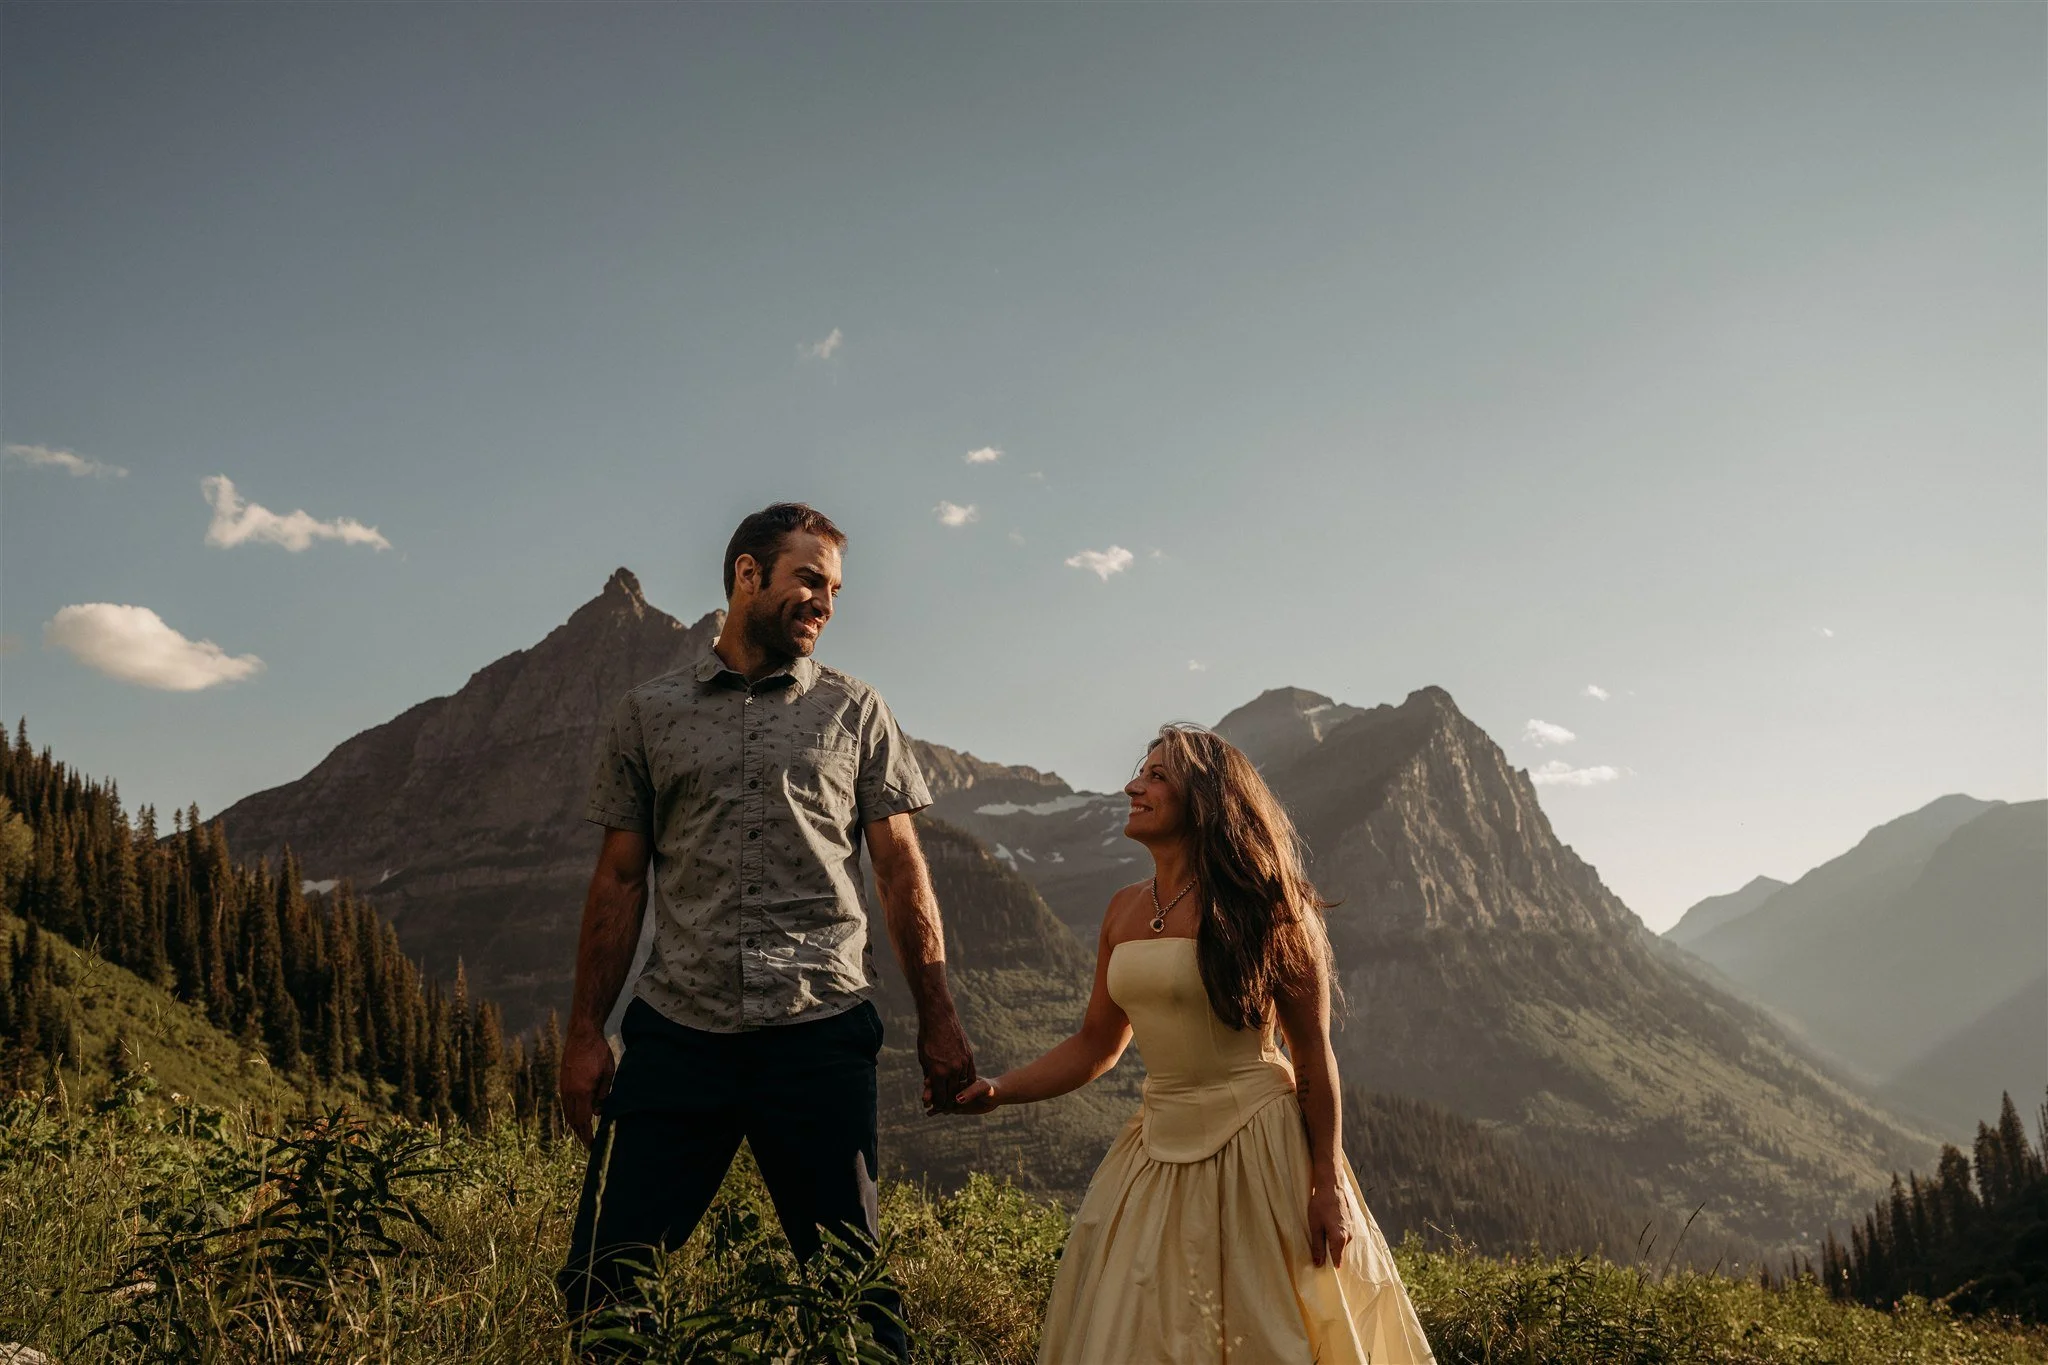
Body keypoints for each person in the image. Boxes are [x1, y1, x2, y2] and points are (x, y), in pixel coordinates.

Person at [556, 502, 977, 1361]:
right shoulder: (648, 714)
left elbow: (901, 872)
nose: (825, 601)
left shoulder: (856, 711)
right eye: (809, 580)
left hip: (819, 1033)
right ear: (747, 575)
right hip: (680, 1033)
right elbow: (620, 879)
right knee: (608, 1285)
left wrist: (940, 1018)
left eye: (834, 588)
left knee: (854, 1295)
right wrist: (582, 1034)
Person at [951, 723, 1436, 1364]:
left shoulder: (1268, 907)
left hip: (1259, 1148)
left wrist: (1326, 1182)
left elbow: (1312, 1053)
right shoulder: (1122, 909)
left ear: (1203, 801)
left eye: (1156, 776)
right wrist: (999, 1092)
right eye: (1140, 772)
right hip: (1154, 1145)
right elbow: (1097, 1043)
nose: (1133, 785)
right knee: (1136, 1332)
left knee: (1264, 1331)